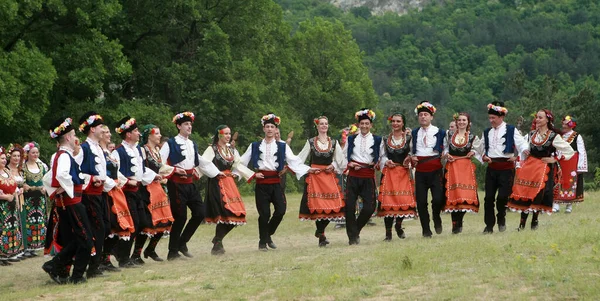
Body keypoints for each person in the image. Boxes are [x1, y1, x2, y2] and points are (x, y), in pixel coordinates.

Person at [239, 113, 310, 251]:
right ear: (264, 129)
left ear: (276, 129)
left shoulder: (282, 146)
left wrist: (309, 169)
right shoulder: (254, 146)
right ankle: (262, 242)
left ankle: (266, 235)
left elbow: (294, 160)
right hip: (261, 183)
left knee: (281, 210)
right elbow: (241, 162)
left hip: (276, 182)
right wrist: (252, 174)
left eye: (272, 127)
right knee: (264, 214)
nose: (270, 129)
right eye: (267, 127)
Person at [160, 112, 222, 260]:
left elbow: (200, 160)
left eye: (190, 124)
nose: (189, 127)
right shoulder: (170, 143)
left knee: (200, 213)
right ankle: (172, 252)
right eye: (186, 124)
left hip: (189, 183)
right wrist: (174, 170)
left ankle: (182, 243)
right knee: (180, 217)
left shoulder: (191, 143)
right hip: (176, 184)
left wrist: (216, 172)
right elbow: (159, 162)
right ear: (178, 126)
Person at [42, 117, 94, 284]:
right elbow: (59, 176)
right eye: (73, 134)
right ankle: (70, 273)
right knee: (86, 239)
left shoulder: (64, 155)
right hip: (72, 204)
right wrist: (67, 189)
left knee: (79, 239)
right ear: (68, 137)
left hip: (71, 203)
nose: (75, 137)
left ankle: (63, 269)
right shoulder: (63, 155)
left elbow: (51, 177)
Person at [508, 109, 574, 230]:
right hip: (529, 167)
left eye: (540, 117)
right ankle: (522, 224)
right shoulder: (532, 134)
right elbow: (524, 148)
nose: (537, 119)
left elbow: (569, 150)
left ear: (547, 120)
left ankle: (534, 220)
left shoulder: (553, 136)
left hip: (543, 168)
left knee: (538, 194)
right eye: (537, 117)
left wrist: (555, 159)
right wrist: (520, 156)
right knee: (525, 193)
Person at [112, 116, 159, 267]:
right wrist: (127, 180)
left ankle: (129, 255)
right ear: (128, 134)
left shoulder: (138, 149)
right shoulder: (118, 152)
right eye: (136, 131)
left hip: (138, 191)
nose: (139, 134)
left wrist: (154, 176)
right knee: (133, 224)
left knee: (144, 223)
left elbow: (142, 170)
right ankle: (123, 258)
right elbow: (114, 172)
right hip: (126, 192)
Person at [203, 125, 254, 254]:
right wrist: (213, 173)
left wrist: (247, 174)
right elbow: (203, 163)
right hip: (217, 183)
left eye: (229, 134)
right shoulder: (212, 149)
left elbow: (238, 164)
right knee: (225, 213)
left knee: (237, 214)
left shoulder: (231, 150)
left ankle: (217, 239)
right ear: (219, 135)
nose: (228, 136)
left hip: (229, 183)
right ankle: (218, 243)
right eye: (225, 133)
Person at [297, 116, 346, 247]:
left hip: (329, 177)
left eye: (326, 124)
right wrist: (309, 169)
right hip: (315, 177)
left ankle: (319, 231)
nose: (324, 126)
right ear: (317, 127)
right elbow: (299, 160)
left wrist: (334, 166)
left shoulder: (334, 143)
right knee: (319, 208)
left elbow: (341, 161)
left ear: (328, 126)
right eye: (321, 124)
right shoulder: (311, 142)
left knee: (334, 206)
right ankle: (322, 235)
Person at [481, 101, 528, 234]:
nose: (491, 121)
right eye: (489, 118)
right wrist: (484, 156)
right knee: (488, 197)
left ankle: (501, 217)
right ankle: (489, 225)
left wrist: (519, 155)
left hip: (506, 167)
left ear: (501, 117)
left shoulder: (511, 130)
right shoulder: (487, 132)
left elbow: (522, 144)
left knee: (502, 197)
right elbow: (480, 148)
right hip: (492, 167)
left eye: (493, 118)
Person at [77, 112, 114, 277]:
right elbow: (77, 172)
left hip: (100, 194)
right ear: (92, 129)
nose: (102, 130)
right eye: (100, 127)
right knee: (97, 230)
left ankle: (95, 263)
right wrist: (92, 179)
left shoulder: (98, 147)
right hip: (89, 195)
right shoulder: (84, 148)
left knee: (105, 228)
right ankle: (92, 268)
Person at [133, 125, 177, 262]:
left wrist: (173, 171)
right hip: (147, 188)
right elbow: (141, 168)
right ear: (149, 136)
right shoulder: (142, 150)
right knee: (148, 222)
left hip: (158, 188)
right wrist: (154, 175)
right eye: (157, 133)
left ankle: (151, 249)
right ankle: (136, 254)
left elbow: (162, 167)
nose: (159, 136)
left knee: (166, 220)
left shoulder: (157, 150)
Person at [344, 108, 383, 244]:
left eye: (367, 124)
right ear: (358, 125)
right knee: (349, 206)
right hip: (353, 175)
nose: (364, 126)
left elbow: (382, 157)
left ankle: (355, 230)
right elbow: (343, 156)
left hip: (368, 174)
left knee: (370, 207)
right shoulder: (351, 139)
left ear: (371, 125)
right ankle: (352, 238)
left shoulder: (377, 140)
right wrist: (350, 164)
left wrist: (379, 164)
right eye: (362, 124)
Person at [409, 101, 446, 237]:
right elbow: (410, 150)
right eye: (421, 115)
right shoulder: (414, 133)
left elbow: (446, 147)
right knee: (421, 201)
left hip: (435, 169)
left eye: (426, 115)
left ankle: (436, 217)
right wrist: (412, 157)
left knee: (437, 199)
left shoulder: (440, 132)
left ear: (431, 117)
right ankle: (426, 229)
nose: (423, 117)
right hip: (420, 171)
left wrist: (445, 155)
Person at [378, 113, 416, 241]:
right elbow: (382, 155)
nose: (395, 123)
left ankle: (398, 225)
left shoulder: (409, 138)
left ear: (403, 123)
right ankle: (388, 234)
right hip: (389, 172)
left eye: (398, 121)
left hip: (403, 172)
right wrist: (386, 161)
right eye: (393, 121)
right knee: (389, 203)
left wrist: (409, 158)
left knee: (402, 200)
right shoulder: (385, 139)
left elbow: (412, 153)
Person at [443, 113, 481, 234]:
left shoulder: (472, 137)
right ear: (456, 121)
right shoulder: (449, 135)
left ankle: (459, 220)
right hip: (452, 166)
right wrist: (446, 154)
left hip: (465, 167)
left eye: (464, 120)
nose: (461, 122)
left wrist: (473, 152)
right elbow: (444, 148)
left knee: (464, 196)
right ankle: (455, 223)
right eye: (459, 120)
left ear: (468, 122)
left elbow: (480, 149)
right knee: (453, 196)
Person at [99, 125, 129, 272]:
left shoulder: (107, 152)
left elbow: (116, 172)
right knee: (111, 225)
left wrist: (123, 182)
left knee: (119, 225)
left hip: (115, 190)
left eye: (109, 131)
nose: (108, 134)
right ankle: (102, 259)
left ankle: (105, 258)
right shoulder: (98, 152)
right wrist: (112, 184)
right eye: (105, 132)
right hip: (106, 192)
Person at [553, 115, 587, 213]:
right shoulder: (559, 135)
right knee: (558, 180)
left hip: (572, 162)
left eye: (566, 123)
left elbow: (581, 151)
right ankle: (556, 204)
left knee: (571, 182)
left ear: (571, 125)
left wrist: (581, 166)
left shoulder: (577, 136)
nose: (563, 125)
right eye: (563, 123)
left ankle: (569, 205)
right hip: (560, 161)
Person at [21, 142, 48, 258]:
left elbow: (46, 179)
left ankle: (38, 244)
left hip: (40, 198)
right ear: (27, 154)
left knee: (40, 221)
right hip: (29, 199)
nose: (35, 155)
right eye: (33, 153)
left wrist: (45, 188)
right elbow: (22, 182)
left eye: (37, 152)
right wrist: (27, 186)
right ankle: (29, 246)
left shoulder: (41, 166)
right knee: (29, 221)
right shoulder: (23, 167)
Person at [0, 146, 24, 266]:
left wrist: (17, 191)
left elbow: (13, 185)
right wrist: (5, 197)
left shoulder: (7, 171)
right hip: (2, 206)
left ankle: (9, 252)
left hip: (11, 205)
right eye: (1, 158)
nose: (4, 161)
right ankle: (2, 254)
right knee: (2, 229)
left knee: (11, 227)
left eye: (4, 158)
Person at [7, 144, 25, 260]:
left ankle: (20, 248)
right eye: (14, 156)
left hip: (21, 198)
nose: (16, 158)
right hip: (11, 198)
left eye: (18, 156)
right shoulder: (6, 170)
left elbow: (22, 183)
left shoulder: (20, 170)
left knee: (20, 223)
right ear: (10, 157)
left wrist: (22, 188)